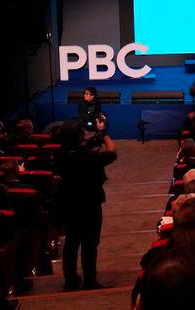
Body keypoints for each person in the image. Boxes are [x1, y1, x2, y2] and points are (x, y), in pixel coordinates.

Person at [54, 119, 117, 291]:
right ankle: (90, 281)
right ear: (79, 137)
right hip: (90, 204)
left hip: (68, 204)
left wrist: (86, 141)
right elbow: (112, 152)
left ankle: (70, 281)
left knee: (71, 242)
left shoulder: (59, 155)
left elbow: (74, 151)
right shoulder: (90, 157)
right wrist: (103, 133)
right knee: (89, 244)